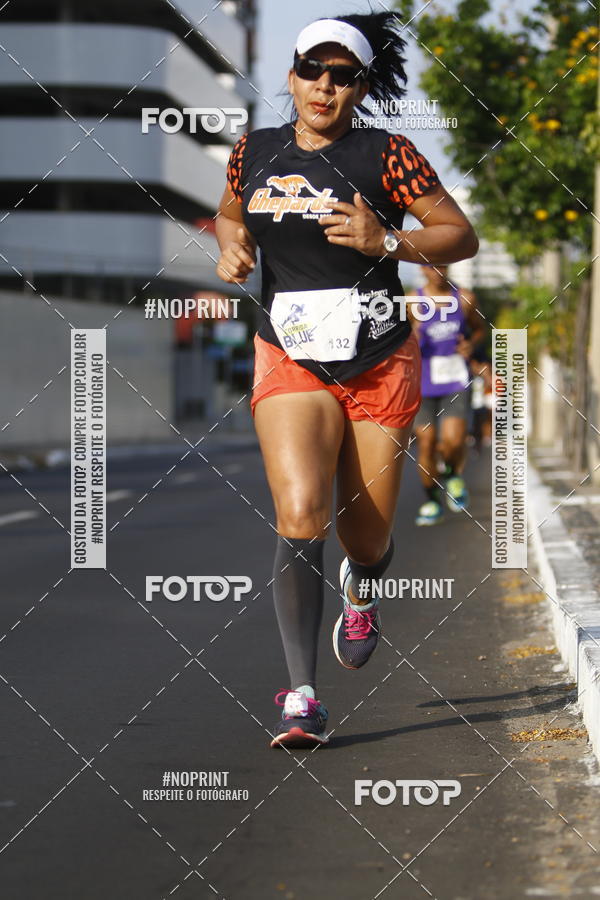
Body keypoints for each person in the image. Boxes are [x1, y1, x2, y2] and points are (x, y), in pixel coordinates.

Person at [215, 12, 478, 748]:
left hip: (378, 358)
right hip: (288, 353)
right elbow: (232, 215)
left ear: (360, 88)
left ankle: (363, 588)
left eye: (343, 76)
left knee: (365, 536)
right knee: (301, 512)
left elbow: (460, 234)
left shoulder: (387, 155)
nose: (325, 86)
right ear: (292, 75)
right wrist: (232, 248)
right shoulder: (254, 151)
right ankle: (301, 695)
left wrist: (386, 238)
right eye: (312, 70)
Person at [411, 265, 485, 526]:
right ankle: (432, 501)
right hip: (422, 383)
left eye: (443, 264)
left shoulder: (465, 298)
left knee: (453, 441)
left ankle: (453, 474)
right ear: (422, 268)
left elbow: (479, 330)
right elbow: (395, 339)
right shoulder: (411, 301)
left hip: (455, 379)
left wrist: (471, 344)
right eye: (432, 265)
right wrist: (412, 334)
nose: (438, 271)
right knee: (427, 442)